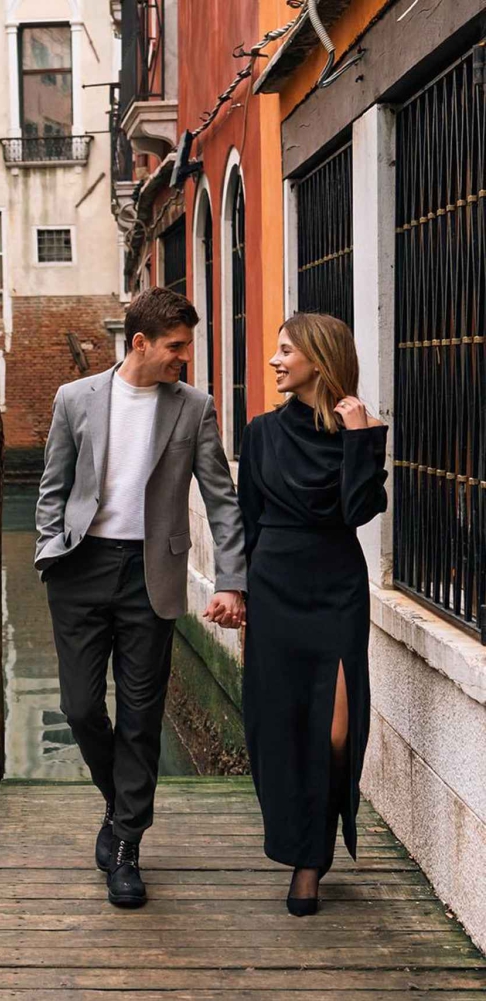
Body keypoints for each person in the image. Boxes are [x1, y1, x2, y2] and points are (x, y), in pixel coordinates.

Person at [36, 286, 246, 908]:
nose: (185, 358)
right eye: (176, 347)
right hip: (79, 568)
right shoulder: (75, 399)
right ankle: (118, 801)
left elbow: (222, 499)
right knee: (79, 709)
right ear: (140, 344)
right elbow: (54, 483)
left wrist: (232, 578)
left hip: (150, 575)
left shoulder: (193, 407)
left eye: (188, 346)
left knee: (140, 717)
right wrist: (49, 548)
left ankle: (127, 844)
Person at [238, 312, 387, 916]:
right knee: (282, 725)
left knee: (335, 732)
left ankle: (315, 851)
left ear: (319, 362)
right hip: (275, 588)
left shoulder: (360, 430)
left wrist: (359, 438)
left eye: (284, 351)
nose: (274, 361)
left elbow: (355, 511)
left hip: (336, 590)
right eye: (275, 351)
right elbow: (247, 520)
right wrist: (239, 591)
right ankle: (304, 859)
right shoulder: (260, 433)